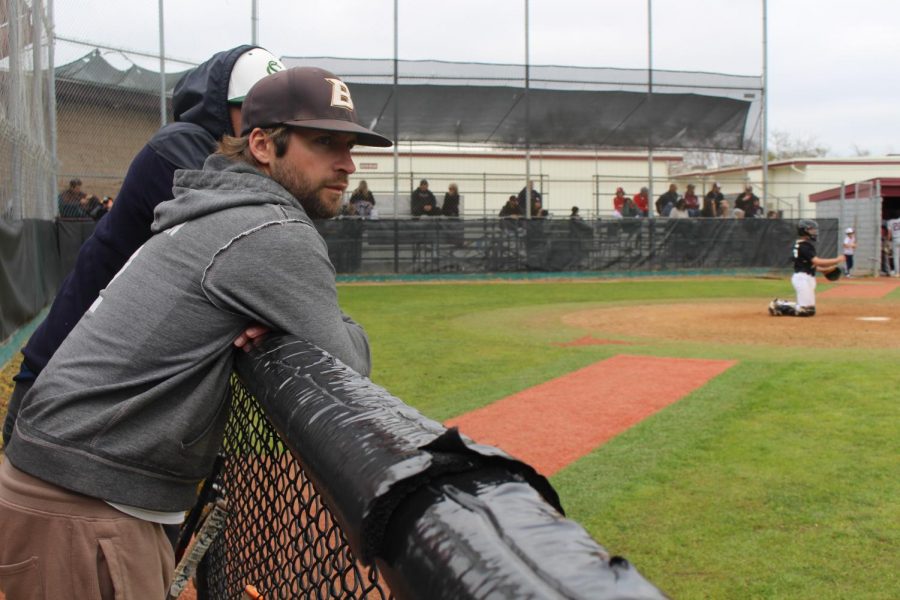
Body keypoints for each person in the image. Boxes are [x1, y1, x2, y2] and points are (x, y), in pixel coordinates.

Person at [0, 65, 391, 598]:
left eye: (350, 146)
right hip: (85, 503)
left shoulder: (213, 208)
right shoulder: (269, 230)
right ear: (261, 143)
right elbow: (349, 361)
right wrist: (315, 318)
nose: (347, 164)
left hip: (63, 481)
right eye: (325, 142)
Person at [3, 45, 284, 448]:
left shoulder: (216, 158)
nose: (268, 129)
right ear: (223, 109)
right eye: (256, 111)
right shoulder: (180, 146)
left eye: (279, 118)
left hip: (106, 389)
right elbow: (251, 248)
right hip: (64, 385)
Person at [769, 219, 844, 317]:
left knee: (810, 310)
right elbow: (817, 261)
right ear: (804, 230)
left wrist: (824, 270)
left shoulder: (802, 245)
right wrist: (837, 260)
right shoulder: (804, 246)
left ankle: (783, 305)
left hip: (809, 278)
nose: (814, 232)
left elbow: (809, 265)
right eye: (811, 230)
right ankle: (779, 304)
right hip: (802, 279)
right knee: (804, 311)